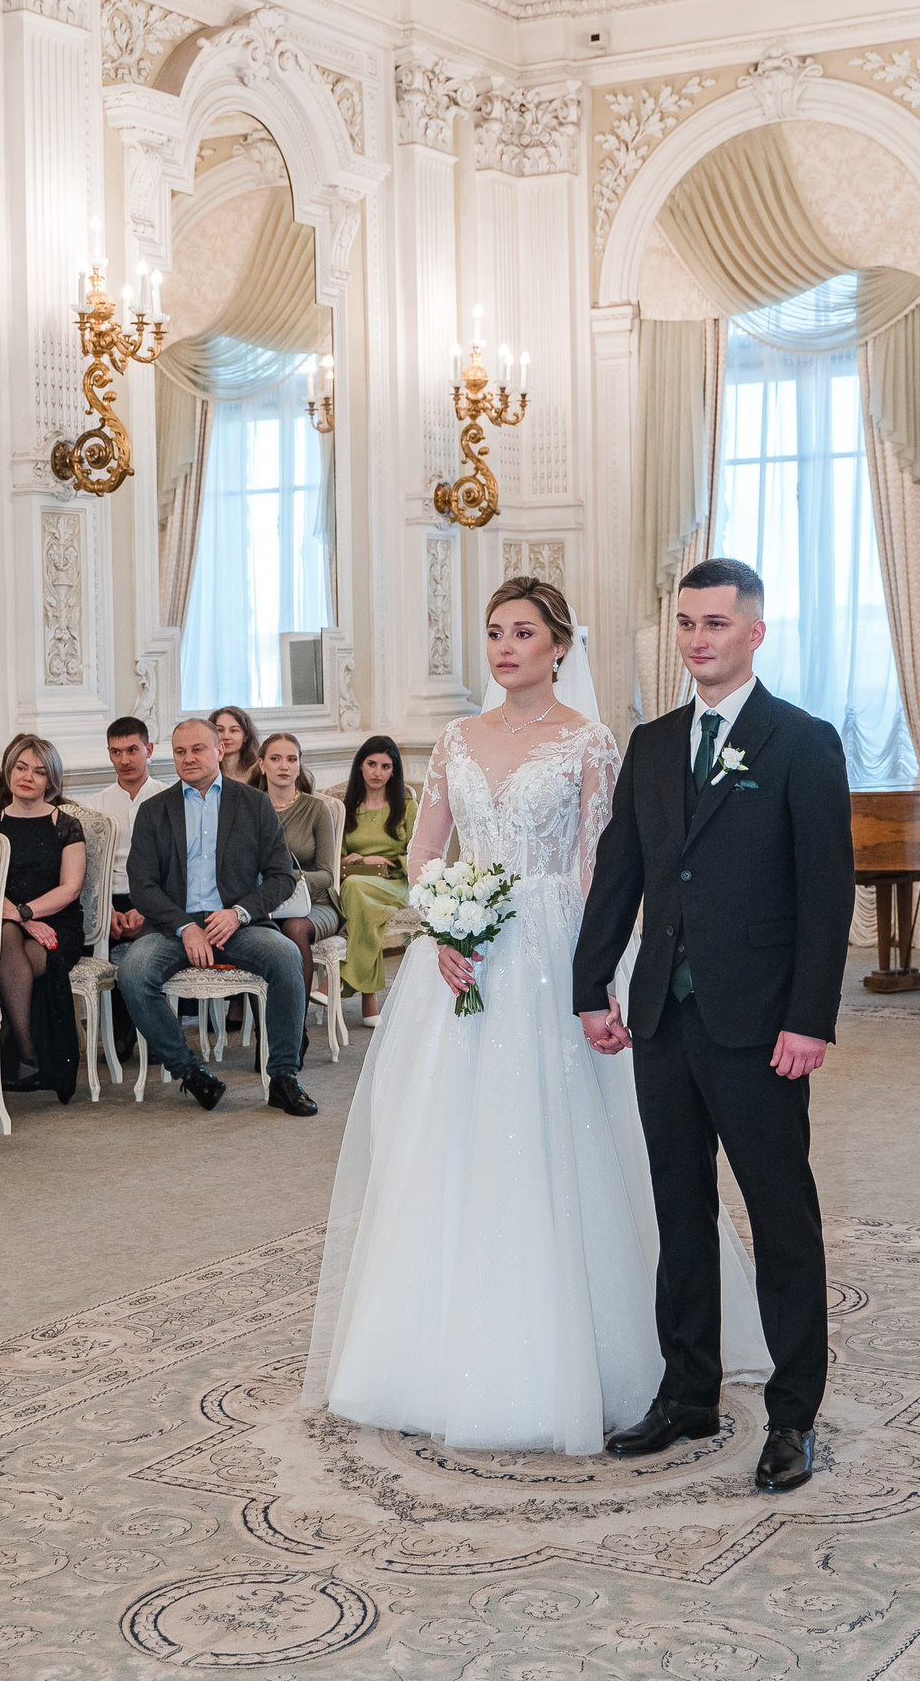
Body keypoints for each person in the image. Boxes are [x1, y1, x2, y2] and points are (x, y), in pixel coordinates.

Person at [303, 579, 770, 1455]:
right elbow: (424, 852)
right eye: (494, 632)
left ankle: (617, 1353)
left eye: (523, 632)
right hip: (467, 953)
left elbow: (603, 868)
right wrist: (443, 925)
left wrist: (597, 971)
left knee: (573, 1139)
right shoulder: (456, 739)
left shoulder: (590, 741)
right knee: (449, 1144)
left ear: (559, 646)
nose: (505, 647)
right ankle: (435, 1354)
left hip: (557, 946)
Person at [572, 556, 854, 1497]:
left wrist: (809, 1018)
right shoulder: (653, 743)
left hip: (762, 1024)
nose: (698, 639)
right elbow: (622, 869)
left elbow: (826, 895)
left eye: (717, 624)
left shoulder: (802, 741)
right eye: (687, 623)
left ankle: (794, 1413)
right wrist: (590, 985)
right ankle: (688, 1391)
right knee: (679, 1210)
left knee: (780, 1217)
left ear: (754, 633)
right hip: (662, 1015)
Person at [118, 715, 319, 1117]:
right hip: (174, 928)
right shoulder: (154, 810)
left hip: (238, 924)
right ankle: (191, 1072)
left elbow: (281, 876)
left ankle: (283, 1077)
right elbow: (142, 885)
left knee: (286, 956)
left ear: (219, 750)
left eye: (197, 749)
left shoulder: (254, 803)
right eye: (180, 751)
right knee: (133, 972)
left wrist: (240, 913)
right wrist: (184, 925)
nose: (188, 758)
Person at [0, 737, 86, 1101]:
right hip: (5, 922)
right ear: (8, 771)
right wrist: (22, 921)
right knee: (7, 937)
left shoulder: (66, 825)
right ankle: (27, 1048)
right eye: (21, 768)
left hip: (57, 925)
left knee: (13, 960)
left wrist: (27, 914)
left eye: (39, 772)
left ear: (51, 780)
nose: (27, 777)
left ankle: (10, 1054)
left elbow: (70, 888)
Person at [257, 731, 341, 1050]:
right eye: (276, 759)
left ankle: (294, 1032)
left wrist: (287, 878)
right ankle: (266, 1031)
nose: (284, 766)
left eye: (291, 759)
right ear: (261, 764)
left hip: (313, 904)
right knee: (253, 932)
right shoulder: (250, 807)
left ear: (299, 765)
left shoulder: (316, 809)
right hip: (263, 903)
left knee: (293, 929)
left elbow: (327, 875)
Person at [93, 714, 169, 1064]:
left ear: (148, 749)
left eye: (132, 750)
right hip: (111, 898)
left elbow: (174, 866)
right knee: (108, 948)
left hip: (156, 895)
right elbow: (93, 869)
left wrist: (148, 908)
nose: (124, 760)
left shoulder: (168, 798)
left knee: (147, 950)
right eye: (116, 752)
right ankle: (120, 1035)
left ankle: (154, 1035)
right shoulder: (97, 805)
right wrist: (105, 911)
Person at [335, 736, 417, 1018]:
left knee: (355, 892)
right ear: (360, 765)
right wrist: (357, 860)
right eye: (371, 764)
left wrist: (389, 862)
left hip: (396, 882)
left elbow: (418, 853)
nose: (377, 772)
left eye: (385, 766)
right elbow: (336, 858)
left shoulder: (406, 806)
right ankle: (368, 1002)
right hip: (357, 882)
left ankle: (342, 980)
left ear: (393, 771)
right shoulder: (346, 808)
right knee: (357, 894)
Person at [210, 706, 264, 786]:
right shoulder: (205, 773)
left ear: (245, 736)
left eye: (234, 730)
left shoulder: (259, 772)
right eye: (220, 730)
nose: (226, 736)